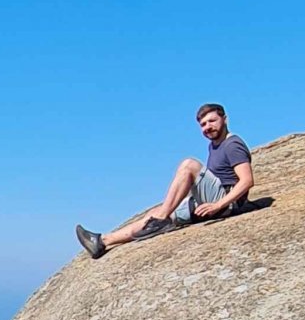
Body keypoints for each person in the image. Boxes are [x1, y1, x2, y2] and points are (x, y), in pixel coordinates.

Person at [75, 103, 254, 259]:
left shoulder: (232, 144)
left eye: (212, 121)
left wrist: (217, 205)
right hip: (213, 200)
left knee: (189, 165)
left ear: (225, 119)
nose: (207, 127)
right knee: (157, 212)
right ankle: (102, 241)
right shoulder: (214, 145)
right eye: (203, 124)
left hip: (226, 202)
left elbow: (247, 181)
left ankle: (161, 220)